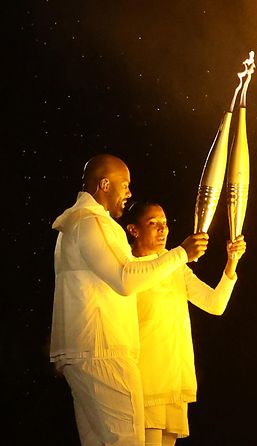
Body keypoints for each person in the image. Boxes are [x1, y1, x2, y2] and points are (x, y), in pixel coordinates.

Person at [50, 153, 209, 446]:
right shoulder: (91, 223)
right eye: (125, 185)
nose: (129, 193)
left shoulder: (75, 224)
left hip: (83, 352)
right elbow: (126, 278)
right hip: (102, 351)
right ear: (105, 184)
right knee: (126, 441)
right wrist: (182, 254)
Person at [119, 200, 245, 446]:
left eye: (164, 223)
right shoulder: (127, 268)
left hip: (174, 378)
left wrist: (232, 261)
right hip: (145, 380)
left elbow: (215, 304)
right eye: (152, 223)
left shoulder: (176, 265)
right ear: (133, 230)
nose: (162, 229)